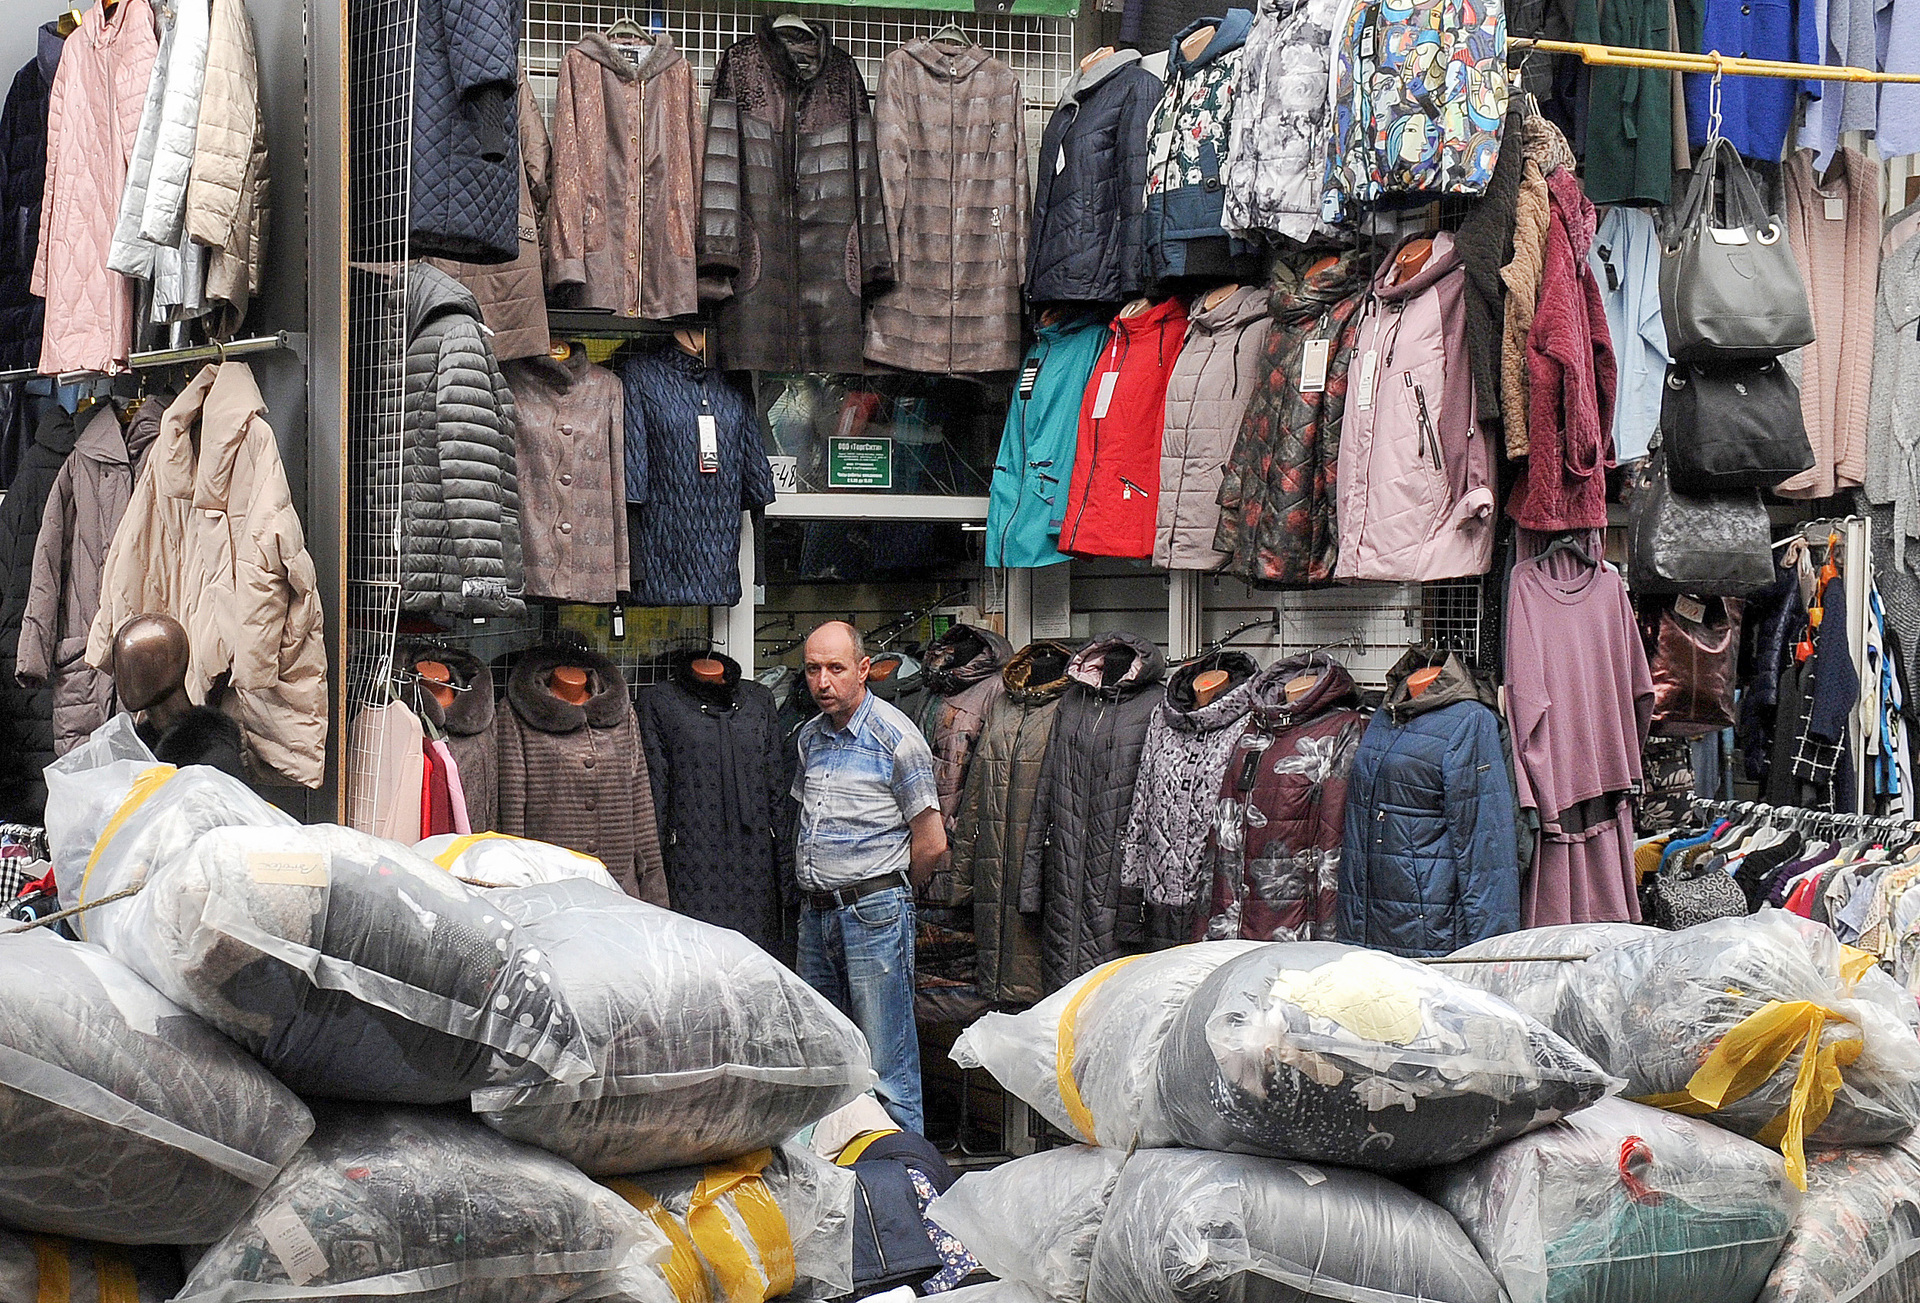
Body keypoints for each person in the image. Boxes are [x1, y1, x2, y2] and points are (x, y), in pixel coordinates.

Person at [791, 619, 946, 1133]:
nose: (823, 682)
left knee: (888, 1064)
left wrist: (893, 893)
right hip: (816, 914)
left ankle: (908, 1184)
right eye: (813, 669)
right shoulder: (810, 737)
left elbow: (932, 841)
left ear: (864, 670)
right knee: (824, 1057)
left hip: (874, 911)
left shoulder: (896, 737)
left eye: (836, 668)